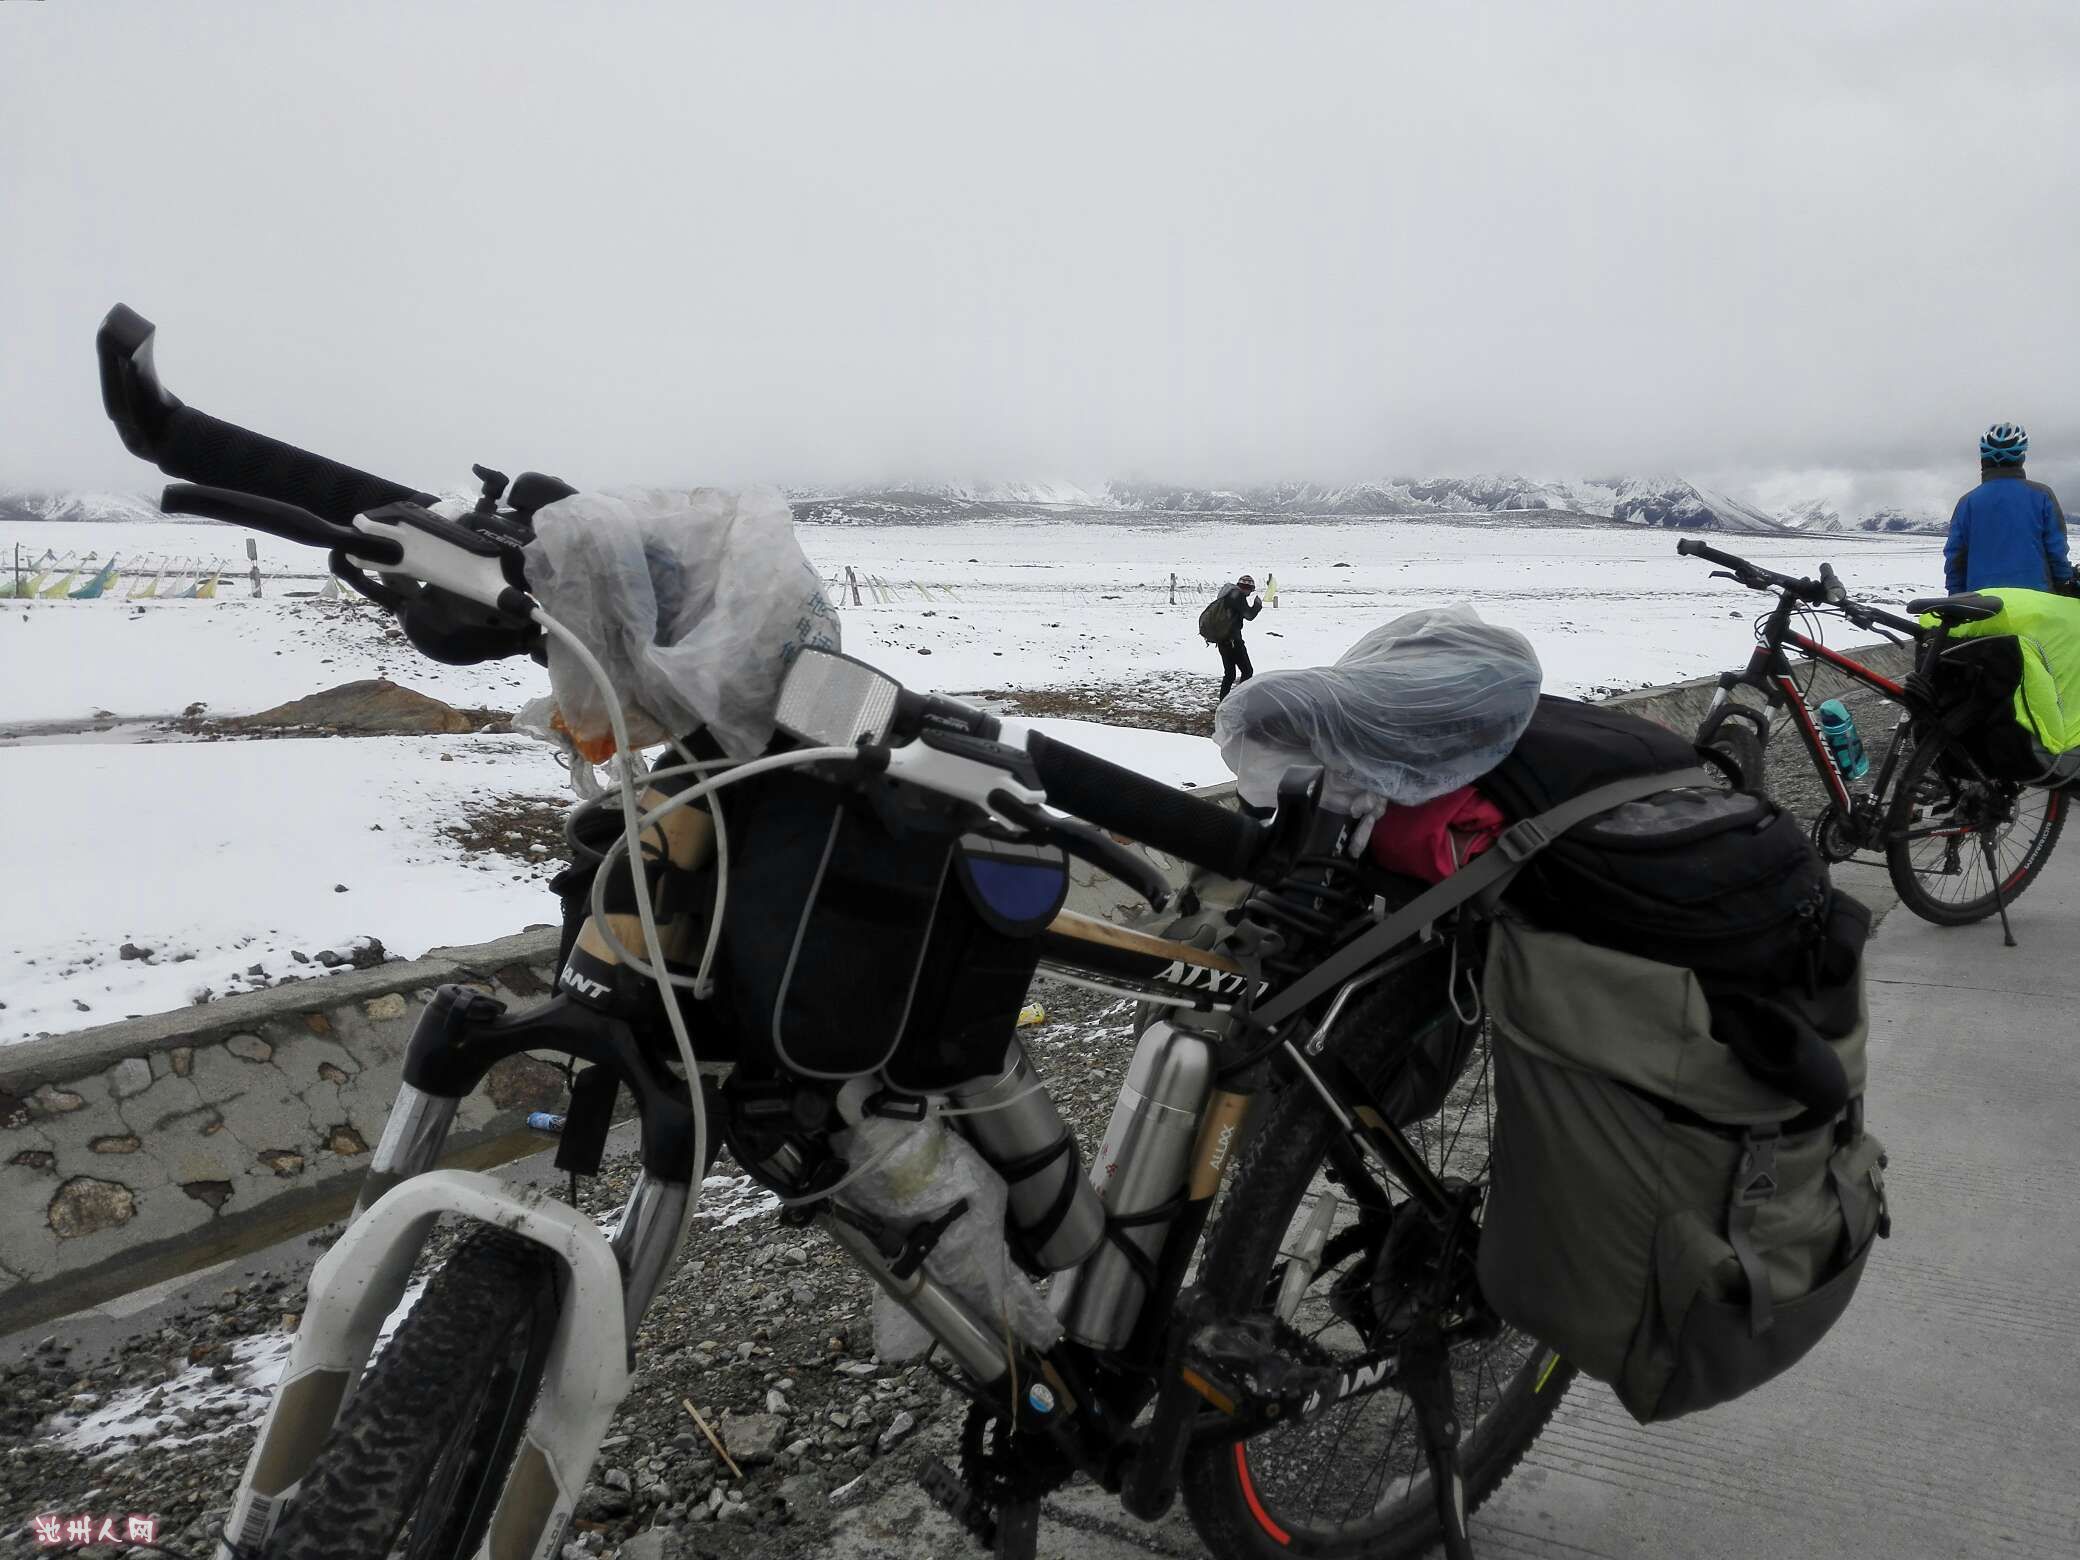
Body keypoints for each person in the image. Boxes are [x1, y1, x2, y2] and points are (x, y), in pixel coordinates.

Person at [1943, 422, 2076, 596]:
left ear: (1984, 458)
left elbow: (1955, 558)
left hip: (1981, 605)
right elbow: (2056, 550)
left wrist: (1956, 597)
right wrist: (2065, 584)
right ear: (2021, 458)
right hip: (2037, 600)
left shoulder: (1967, 502)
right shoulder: (2042, 495)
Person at [1214, 572, 1264, 699]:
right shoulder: (1238, 596)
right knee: (1247, 671)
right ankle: (1238, 700)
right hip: (1233, 641)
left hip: (1222, 639)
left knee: (1230, 674)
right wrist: (1257, 605)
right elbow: (1249, 615)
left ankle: (1224, 702)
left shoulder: (1228, 595)